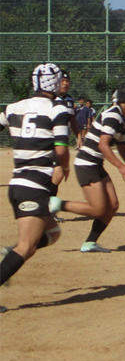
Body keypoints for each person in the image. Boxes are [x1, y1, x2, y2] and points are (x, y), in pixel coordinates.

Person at [49, 80, 125, 253]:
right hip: (87, 164)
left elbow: (122, 148)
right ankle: (55, 203)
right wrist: (120, 167)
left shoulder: (120, 118)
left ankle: (89, 243)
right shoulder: (114, 115)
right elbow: (103, 145)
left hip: (94, 164)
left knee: (113, 205)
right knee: (98, 209)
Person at [0, 64, 70, 288]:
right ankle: (9, 259)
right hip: (34, 185)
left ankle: (7, 257)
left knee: (53, 231)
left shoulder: (13, 107)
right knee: (26, 247)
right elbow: (60, 149)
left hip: (18, 184)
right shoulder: (57, 110)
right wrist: (65, 166)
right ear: (56, 82)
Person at [50, 70, 79, 193]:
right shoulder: (49, 99)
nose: (65, 83)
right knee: (58, 172)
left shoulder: (69, 100)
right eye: (63, 81)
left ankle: (48, 202)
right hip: (49, 141)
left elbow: (72, 121)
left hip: (60, 141)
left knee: (58, 172)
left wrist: (79, 136)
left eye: (67, 81)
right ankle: (46, 202)